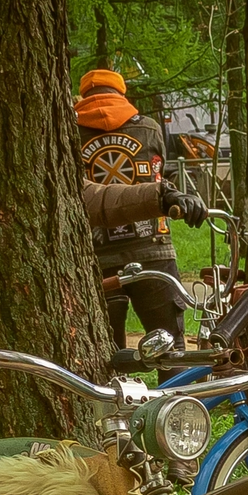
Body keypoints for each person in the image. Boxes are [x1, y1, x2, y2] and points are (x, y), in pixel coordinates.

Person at [75, 69, 188, 345]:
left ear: (84, 96)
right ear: (121, 94)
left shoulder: (69, 131)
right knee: (171, 347)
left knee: (105, 352)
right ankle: (179, 390)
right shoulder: (148, 127)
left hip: (97, 255)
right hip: (153, 249)